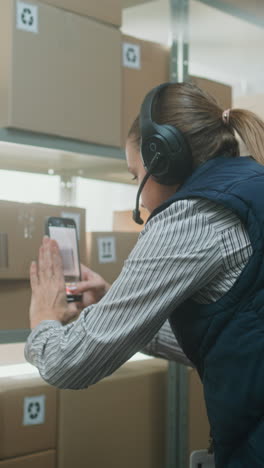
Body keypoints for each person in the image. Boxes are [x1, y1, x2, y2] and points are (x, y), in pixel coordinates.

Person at [25, 81, 264, 468]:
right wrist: (113, 307)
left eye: (136, 175)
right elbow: (233, 336)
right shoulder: (251, 188)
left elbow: (68, 364)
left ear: (163, 159)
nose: (137, 189)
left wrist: (44, 324)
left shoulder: (193, 215)